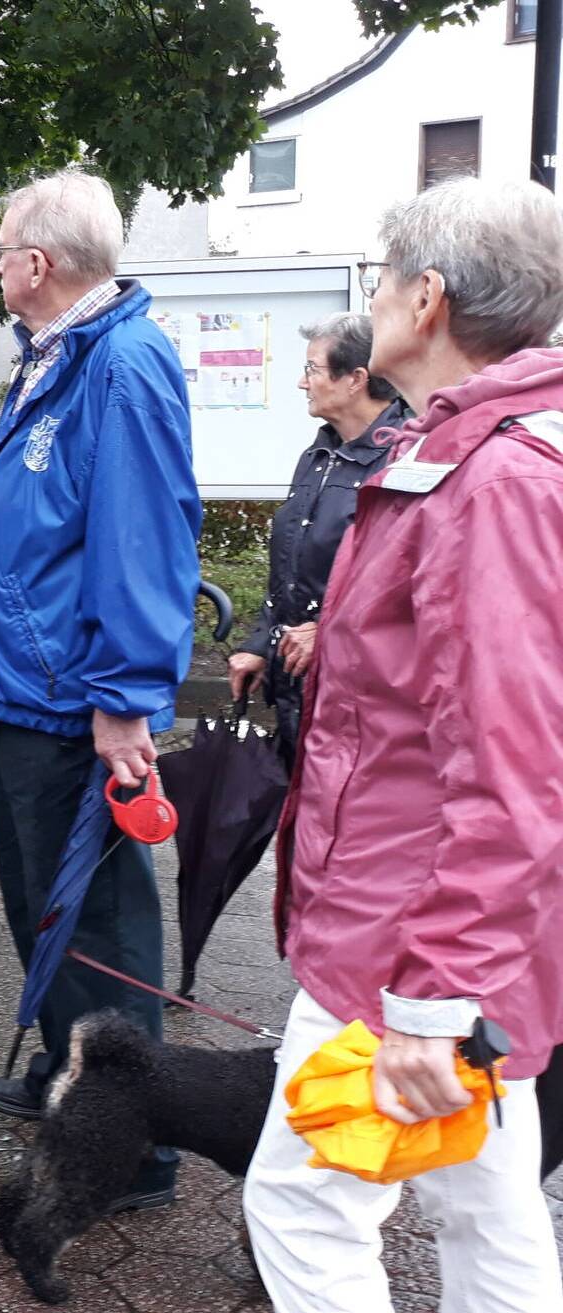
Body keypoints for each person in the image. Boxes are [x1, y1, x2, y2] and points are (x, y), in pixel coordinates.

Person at [245, 177, 563, 1313]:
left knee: (299, 1200)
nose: (368, 301)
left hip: (407, 935)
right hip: (440, 926)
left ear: (424, 298)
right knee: (483, 1203)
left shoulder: (495, 481)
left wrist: (434, 998)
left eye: (379, 280)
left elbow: (514, 766)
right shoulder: (459, 452)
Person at [0, 171, 200, 1213]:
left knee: (98, 923)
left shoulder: (120, 364)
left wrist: (124, 698)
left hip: (71, 698)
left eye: (0, 250)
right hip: (25, 691)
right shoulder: (60, 353)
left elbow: (141, 538)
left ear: (34, 265)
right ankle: (67, 1080)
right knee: (44, 910)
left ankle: (133, 1147)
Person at [227, 313, 404, 765]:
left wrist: (326, 634)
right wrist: (261, 644)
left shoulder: (404, 460)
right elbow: (288, 568)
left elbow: (402, 589)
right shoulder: (320, 454)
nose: (302, 383)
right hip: (297, 688)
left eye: (312, 369)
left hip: (357, 699)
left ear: (356, 379)